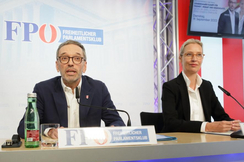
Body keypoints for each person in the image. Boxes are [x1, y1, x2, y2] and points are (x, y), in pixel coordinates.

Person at [17, 40, 125, 139]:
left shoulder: (98, 89)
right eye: (64, 58)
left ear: (84, 66)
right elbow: (24, 129)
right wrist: (49, 131)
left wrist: (112, 130)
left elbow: (117, 122)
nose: (70, 63)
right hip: (56, 155)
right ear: (57, 66)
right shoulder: (43, 89)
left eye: (77, 58)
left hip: (90, 154)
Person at [162, 38, 241, 133]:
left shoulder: (206, 86)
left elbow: (221, 116)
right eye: (189, 54)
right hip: (181, 142)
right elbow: (171, 123)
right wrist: (207, 126)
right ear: (180, 58)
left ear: (202, 58)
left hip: (206, 141)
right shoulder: (170, 87)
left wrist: (233, 124)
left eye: (199, 55)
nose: (194, 59)